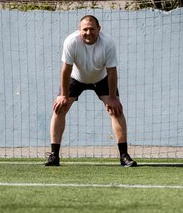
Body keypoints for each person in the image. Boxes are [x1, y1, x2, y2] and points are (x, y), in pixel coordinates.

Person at [45, 15, 137, 167]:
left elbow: (112, 72)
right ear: (79, 30)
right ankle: (54, 155)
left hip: (102, 78)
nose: (88, 32)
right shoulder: (71, 42)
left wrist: (113, 98)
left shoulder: (108, 43)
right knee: (59, 108)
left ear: (99, 29)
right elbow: (66, 70)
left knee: (116, 110)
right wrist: (63, 95)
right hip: (76, 78)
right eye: (85, 29)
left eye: (92, 29)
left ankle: (124, 156)